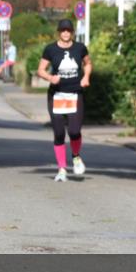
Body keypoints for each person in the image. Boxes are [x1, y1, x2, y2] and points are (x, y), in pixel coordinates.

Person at [37, 20, 91, 181]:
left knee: (74, 131)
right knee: (59, 133)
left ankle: (75, 156)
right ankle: (61, 168)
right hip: (57, 95)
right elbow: (41, 70)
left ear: (72, 32)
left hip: (75, 93)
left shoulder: (80, 48)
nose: (66, 33)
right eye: (63, 30)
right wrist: (50, 77)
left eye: (68, 30)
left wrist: (86, 77)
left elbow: (87, 63)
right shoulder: (50, 49)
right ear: (58, 32)